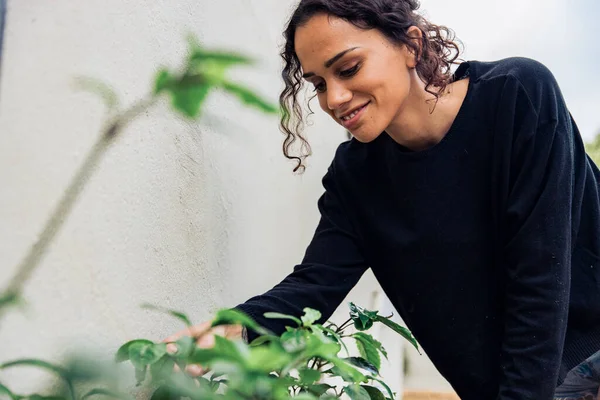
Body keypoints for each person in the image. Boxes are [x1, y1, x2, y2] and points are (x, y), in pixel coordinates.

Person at [164, 0, 600, 398]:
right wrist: (235, 331)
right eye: (318, 83)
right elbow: (314, 284)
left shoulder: (517, 95)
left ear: (410, 46)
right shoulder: (355, 177)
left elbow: (541, 276)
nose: (333, 98)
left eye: (348, 69)